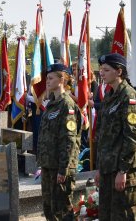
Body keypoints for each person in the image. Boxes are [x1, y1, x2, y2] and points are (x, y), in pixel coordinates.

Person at [95, 53, 136, 221]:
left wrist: (123, 170)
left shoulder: (129, 97)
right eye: (101, 70)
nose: (101, 73)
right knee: (106, 215)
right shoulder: (110, 96)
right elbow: (103, 137)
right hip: (108, 168)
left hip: (124, 170)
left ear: (119, 72)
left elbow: (133, 137)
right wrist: (99, 168)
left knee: (123, 216)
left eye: (106, 70)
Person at [37, 63, 83, 221]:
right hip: (49, 164)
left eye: (50, 78)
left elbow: (68, 140)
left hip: (60, 167)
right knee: (49, 209)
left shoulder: (67, 105)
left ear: (62, 79)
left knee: (62, 210)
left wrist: (63, 169)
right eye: (46, 78)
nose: (47, 82)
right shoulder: (52, 104)